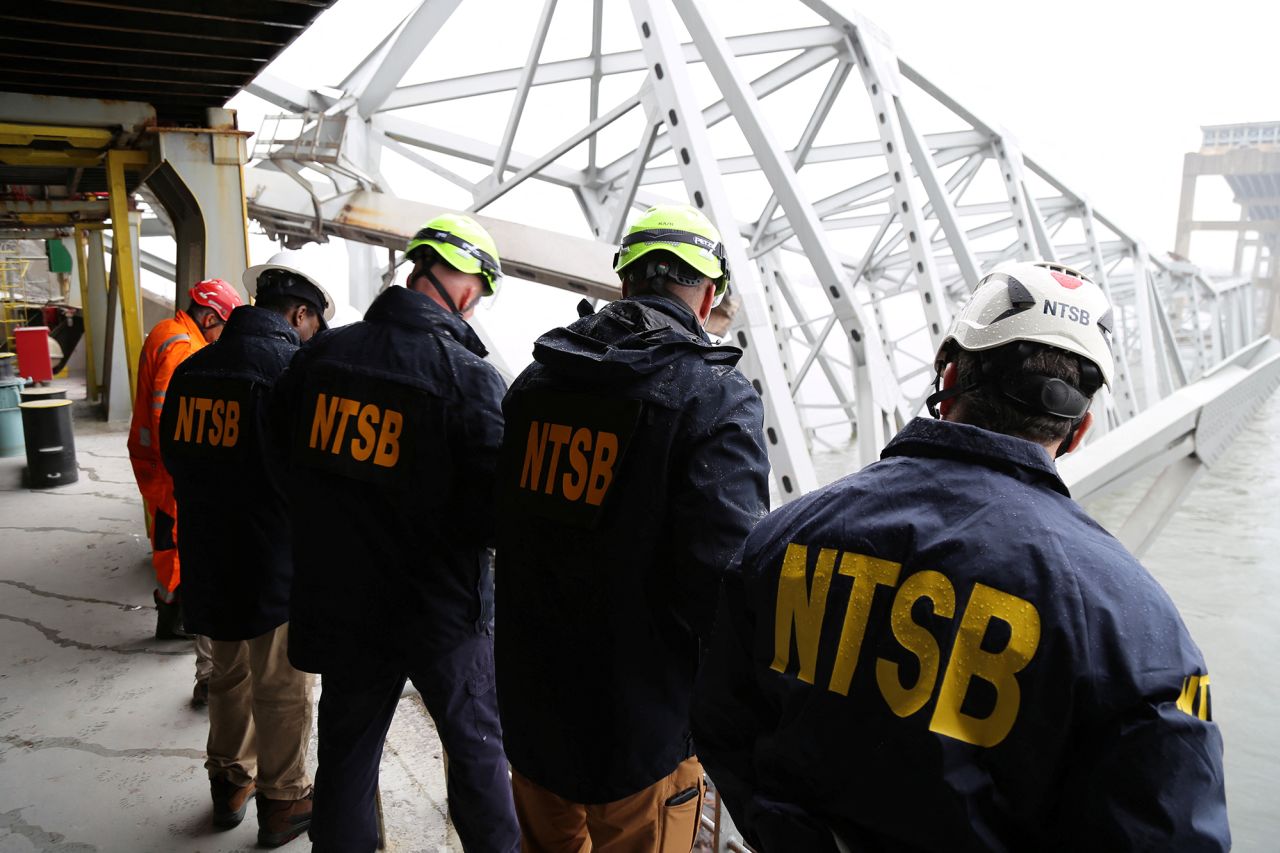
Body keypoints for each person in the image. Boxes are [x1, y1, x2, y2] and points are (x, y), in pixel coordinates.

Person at [690, 261, 1231, 851]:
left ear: (947, 379)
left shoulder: (782, 539)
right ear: (1079, 432)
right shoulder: (1137, 627)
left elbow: (719, 721)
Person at [493, 203, 771, 851]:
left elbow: (502, 521)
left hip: (532, 708)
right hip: (642, 729)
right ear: (707, 298)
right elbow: (719, 589)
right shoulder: (713, 397)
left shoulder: (534, 384)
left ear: (624, 284)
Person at [270, 215, 519, 852]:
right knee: (477, 755)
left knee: (347, 762)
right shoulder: (469, 377)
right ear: (460, 280)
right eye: (480, 285)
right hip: (440, 611)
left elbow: (281, 461)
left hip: (345, 602)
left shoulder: (320, 357)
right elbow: (497, 513)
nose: (477, 300)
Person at [159, 251, 332, 846]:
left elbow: (173, 457)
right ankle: (284, 802)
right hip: (272, 558)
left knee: (227, 674)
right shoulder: (291, 372)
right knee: (282, 684)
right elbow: (306, 476)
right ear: (301, 314)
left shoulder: (192, 369)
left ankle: (230, 783)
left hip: (208, 551)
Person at [127, 278, 242, 703]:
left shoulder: (167, 332)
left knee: (167, 534)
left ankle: (170, 611)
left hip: (156, 461)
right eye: (222, 327)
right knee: (180, 542)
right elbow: (167, 417)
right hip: (169, 465)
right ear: (209, 317)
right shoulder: (182, 347)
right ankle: (178, 616)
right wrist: (189, 469)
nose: (221, 337)